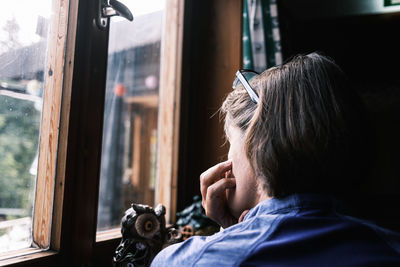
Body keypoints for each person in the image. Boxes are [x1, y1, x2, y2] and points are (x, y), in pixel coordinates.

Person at [151, 52, 400, 266]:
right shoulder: (389, 248)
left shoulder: (187, 261)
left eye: (230, 144)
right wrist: (233, 229)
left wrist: (228, 235)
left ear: (258, 143)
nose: (226, 167)